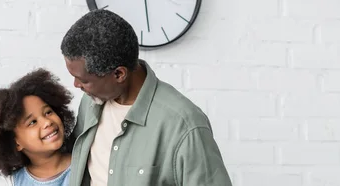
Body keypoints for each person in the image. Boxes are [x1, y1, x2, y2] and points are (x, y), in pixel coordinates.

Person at [59, 9, 233, 186]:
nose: (76, 85)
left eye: (83, 80)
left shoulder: (184, 125)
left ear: (119, 74)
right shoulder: (91, 101)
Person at [0, 68, 76, 186]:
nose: (47, 122)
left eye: (48, 112)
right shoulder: (12, 183)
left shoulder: (88, 163)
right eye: (32, 122)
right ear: (16, 143)